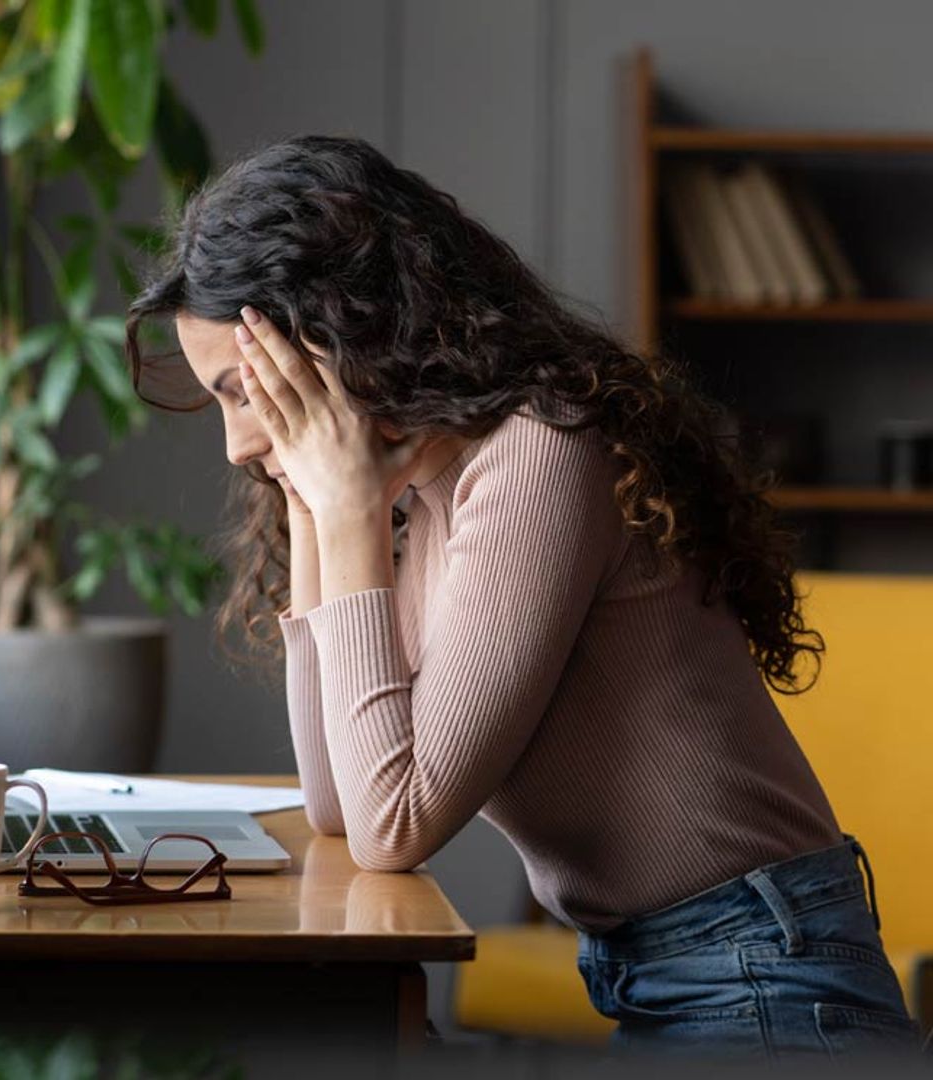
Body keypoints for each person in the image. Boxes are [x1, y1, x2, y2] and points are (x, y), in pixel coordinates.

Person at [124, 134, 920, 1064]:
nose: (234, 445)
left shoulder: (539, 451)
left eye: (243, 392)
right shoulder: (415, 492)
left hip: (767, 981)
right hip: (675, 977)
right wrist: (314, 506)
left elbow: (394, 827)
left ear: (336, 340)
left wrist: (342, 507)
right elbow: (337, 801)